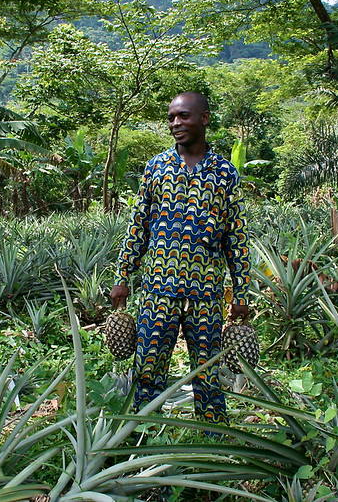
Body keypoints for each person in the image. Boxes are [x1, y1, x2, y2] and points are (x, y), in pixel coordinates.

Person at [110, 92, 250, 427]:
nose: (176, 124)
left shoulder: (225, 173)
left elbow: (236, 236)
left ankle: (211, 437)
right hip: (159, 290)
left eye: (183, 116)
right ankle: (145, 435)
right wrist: (122, 276)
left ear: (204, 118)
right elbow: (138, 225)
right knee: (147, 368)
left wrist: (242, 294)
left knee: (208, 371)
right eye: (171, 118)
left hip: (206, 292)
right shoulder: (156, 168)